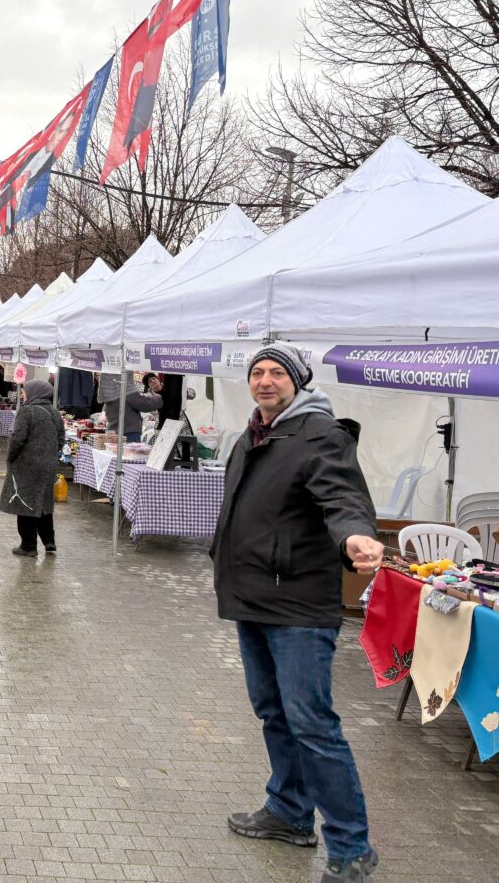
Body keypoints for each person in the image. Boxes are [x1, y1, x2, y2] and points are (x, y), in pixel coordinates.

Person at [214, 344, 383, 883]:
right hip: (252, 597)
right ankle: (288, 812)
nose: (266, 381)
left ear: (299, 380)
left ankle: (352, 846)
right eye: (258, 373)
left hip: (298, 605)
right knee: (274, 713)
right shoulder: (254, 434)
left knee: (313, 725)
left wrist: (355, 536)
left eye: (277, 373)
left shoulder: (320, 434)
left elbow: (342, 498)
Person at [0, 380, 61, 557]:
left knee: (25, 504)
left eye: (25, 391)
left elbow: (17, 439)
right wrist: (50, 455)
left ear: (35, 393)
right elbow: (61, 439)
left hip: (27, 465)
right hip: (48, 465)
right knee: (44, 503)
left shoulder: (26, 411)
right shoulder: (55, 412)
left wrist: (10, 458)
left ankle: (28, 545)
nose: (23, 394)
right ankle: (49, 541)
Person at [101, 372, 163, 444]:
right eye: (150, 381)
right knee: (130, 453)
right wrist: (158, 398)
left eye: (154, 379)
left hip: (114, 432)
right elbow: (144, 405)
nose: (153, 381)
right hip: (128, 433)